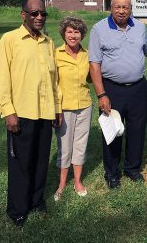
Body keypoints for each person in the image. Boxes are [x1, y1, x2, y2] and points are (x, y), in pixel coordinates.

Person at [88, 0, 147, 189]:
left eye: (125, 7)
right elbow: (94, 64)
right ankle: (112, 173)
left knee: (137, 130)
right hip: (112, 89)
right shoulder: (99, 29)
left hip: (138, 88)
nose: (121, 11)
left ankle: (132, 169)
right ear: (111, 8)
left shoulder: (139, 27)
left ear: (131, 9)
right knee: (112, 132)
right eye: (117, 7)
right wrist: (101, 94)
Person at [0, 0, 60, 226]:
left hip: (45, 112)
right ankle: (18, 209)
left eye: (43, 13)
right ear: (24, 15)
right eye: (35, 13)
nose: (40, 17)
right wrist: (8, 112)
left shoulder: (48, 42)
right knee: (21, 163)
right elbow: (2, 79)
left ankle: (36, 200)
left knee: (41, 160)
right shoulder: (9, 40)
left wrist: (58, 109)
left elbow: (54, 81)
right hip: (21, 113)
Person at [53, 16, 92, 201]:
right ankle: (61, 184)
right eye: (70, 31)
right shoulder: (55, 54)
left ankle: (77, 181)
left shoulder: (88, 54)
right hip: (64, 108)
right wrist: (56, 109)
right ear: (63, 33)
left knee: (80, 145)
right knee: (64, 146)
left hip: (85, 105)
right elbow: (52, 84)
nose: (73, 35)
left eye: (77, 32)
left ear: (82, 35)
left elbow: (94, 77)